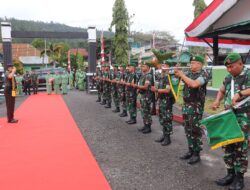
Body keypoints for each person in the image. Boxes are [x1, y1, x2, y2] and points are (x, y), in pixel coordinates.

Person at [211, 53, 250, 190]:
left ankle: (239, 178)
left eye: (231, 66)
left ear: (240, 64)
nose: (228, 69)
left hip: (243, 116)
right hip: (228, 115)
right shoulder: (228, 77)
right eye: (227, 67)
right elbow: (221, 91)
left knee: (240, 147)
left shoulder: (248, 74)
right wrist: (217, 101)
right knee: (227, 144)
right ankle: (230, 174)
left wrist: (241, 94)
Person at [175, 55, 209, 164]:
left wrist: (182, 75)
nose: (191, 64)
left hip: (196, 106)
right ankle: (190, 150)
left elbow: (194, 84)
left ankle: (196, 153)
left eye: (194, 62)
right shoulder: (189, 74)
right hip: (186, 105)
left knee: (195, 130)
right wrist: (177, 71)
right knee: (187, 129)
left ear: (200, 64)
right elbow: (176, 78)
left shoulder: (204, 74)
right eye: (191, 62)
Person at [151, 62, 175, 146]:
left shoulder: (169, 77)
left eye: (164, 66)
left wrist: (156, 90)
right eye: (162, 65)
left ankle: (167, 138)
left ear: (168, 67)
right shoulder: (161, 76)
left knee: (167, 119)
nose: (162, 67)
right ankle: (164, 135)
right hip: (161, 100)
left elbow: (167, 90)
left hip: (167, 100)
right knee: (161, 119)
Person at [135, 62, 154, 134]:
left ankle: (148, 127)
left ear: (148, 67)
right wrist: (138, 89)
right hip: (143, 96)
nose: (142, 67)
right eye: (142, 66)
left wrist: (137, 87)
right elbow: (141, 85)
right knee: (143, 111)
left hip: (147, 96)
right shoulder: (143, 76)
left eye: (144, 66)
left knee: (146, 111)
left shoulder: (148, 76)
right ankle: (145, 125)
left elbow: (146, 87)